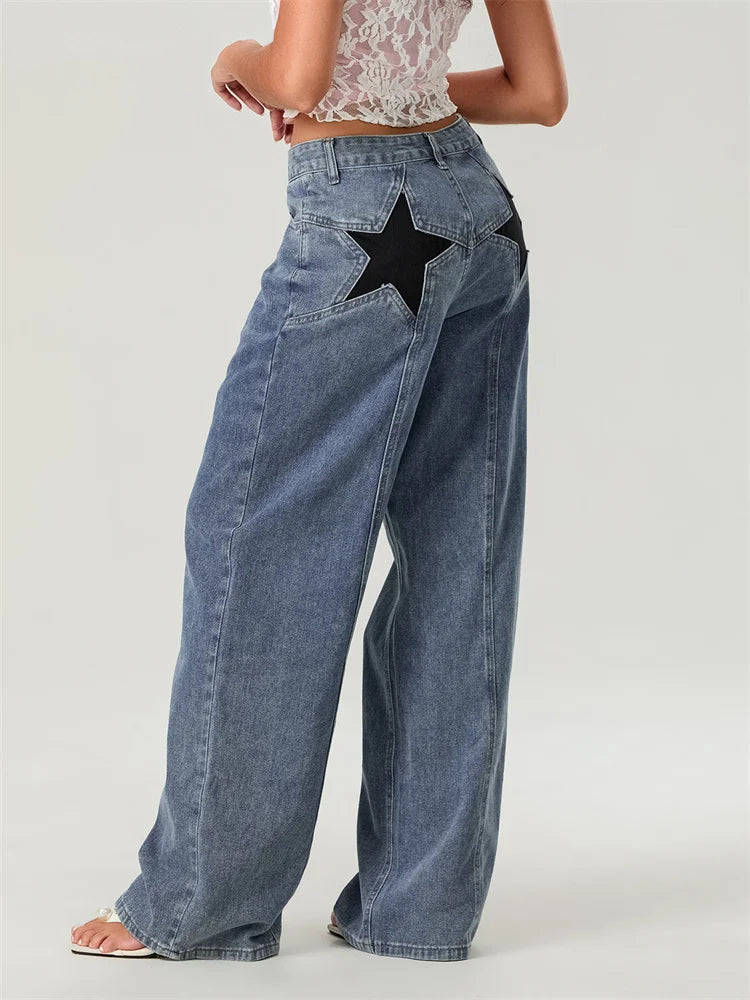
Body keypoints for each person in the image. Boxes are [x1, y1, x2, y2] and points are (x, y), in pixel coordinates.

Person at [70, 0, 567, 964]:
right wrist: (406, 90)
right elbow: (537, 93)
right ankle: (418, 906)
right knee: (459, 556)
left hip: (365, 222)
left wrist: (235, 58)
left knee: (259, 547)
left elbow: (295, 79)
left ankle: (203, 904)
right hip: (479, 214)